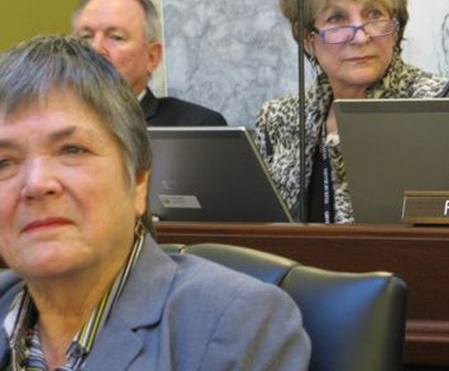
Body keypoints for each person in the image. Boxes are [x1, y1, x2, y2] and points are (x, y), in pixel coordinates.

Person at [0, 36, 310, 369]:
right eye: (4, 162)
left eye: (72, 150)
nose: (36, 184)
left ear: (139, 182)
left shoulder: (237, 323)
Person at [255, 0, 449, 223]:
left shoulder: (446, 105)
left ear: (397, 24)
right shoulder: (280, 118)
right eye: (337, 19)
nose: (361, 36)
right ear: (306, 37)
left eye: (373, 14)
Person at [72, 0, 227, 126]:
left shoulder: (196, 127)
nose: (96, 48)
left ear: (152, 57)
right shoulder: (51, 119)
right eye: (86, 37)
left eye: (116, 37)